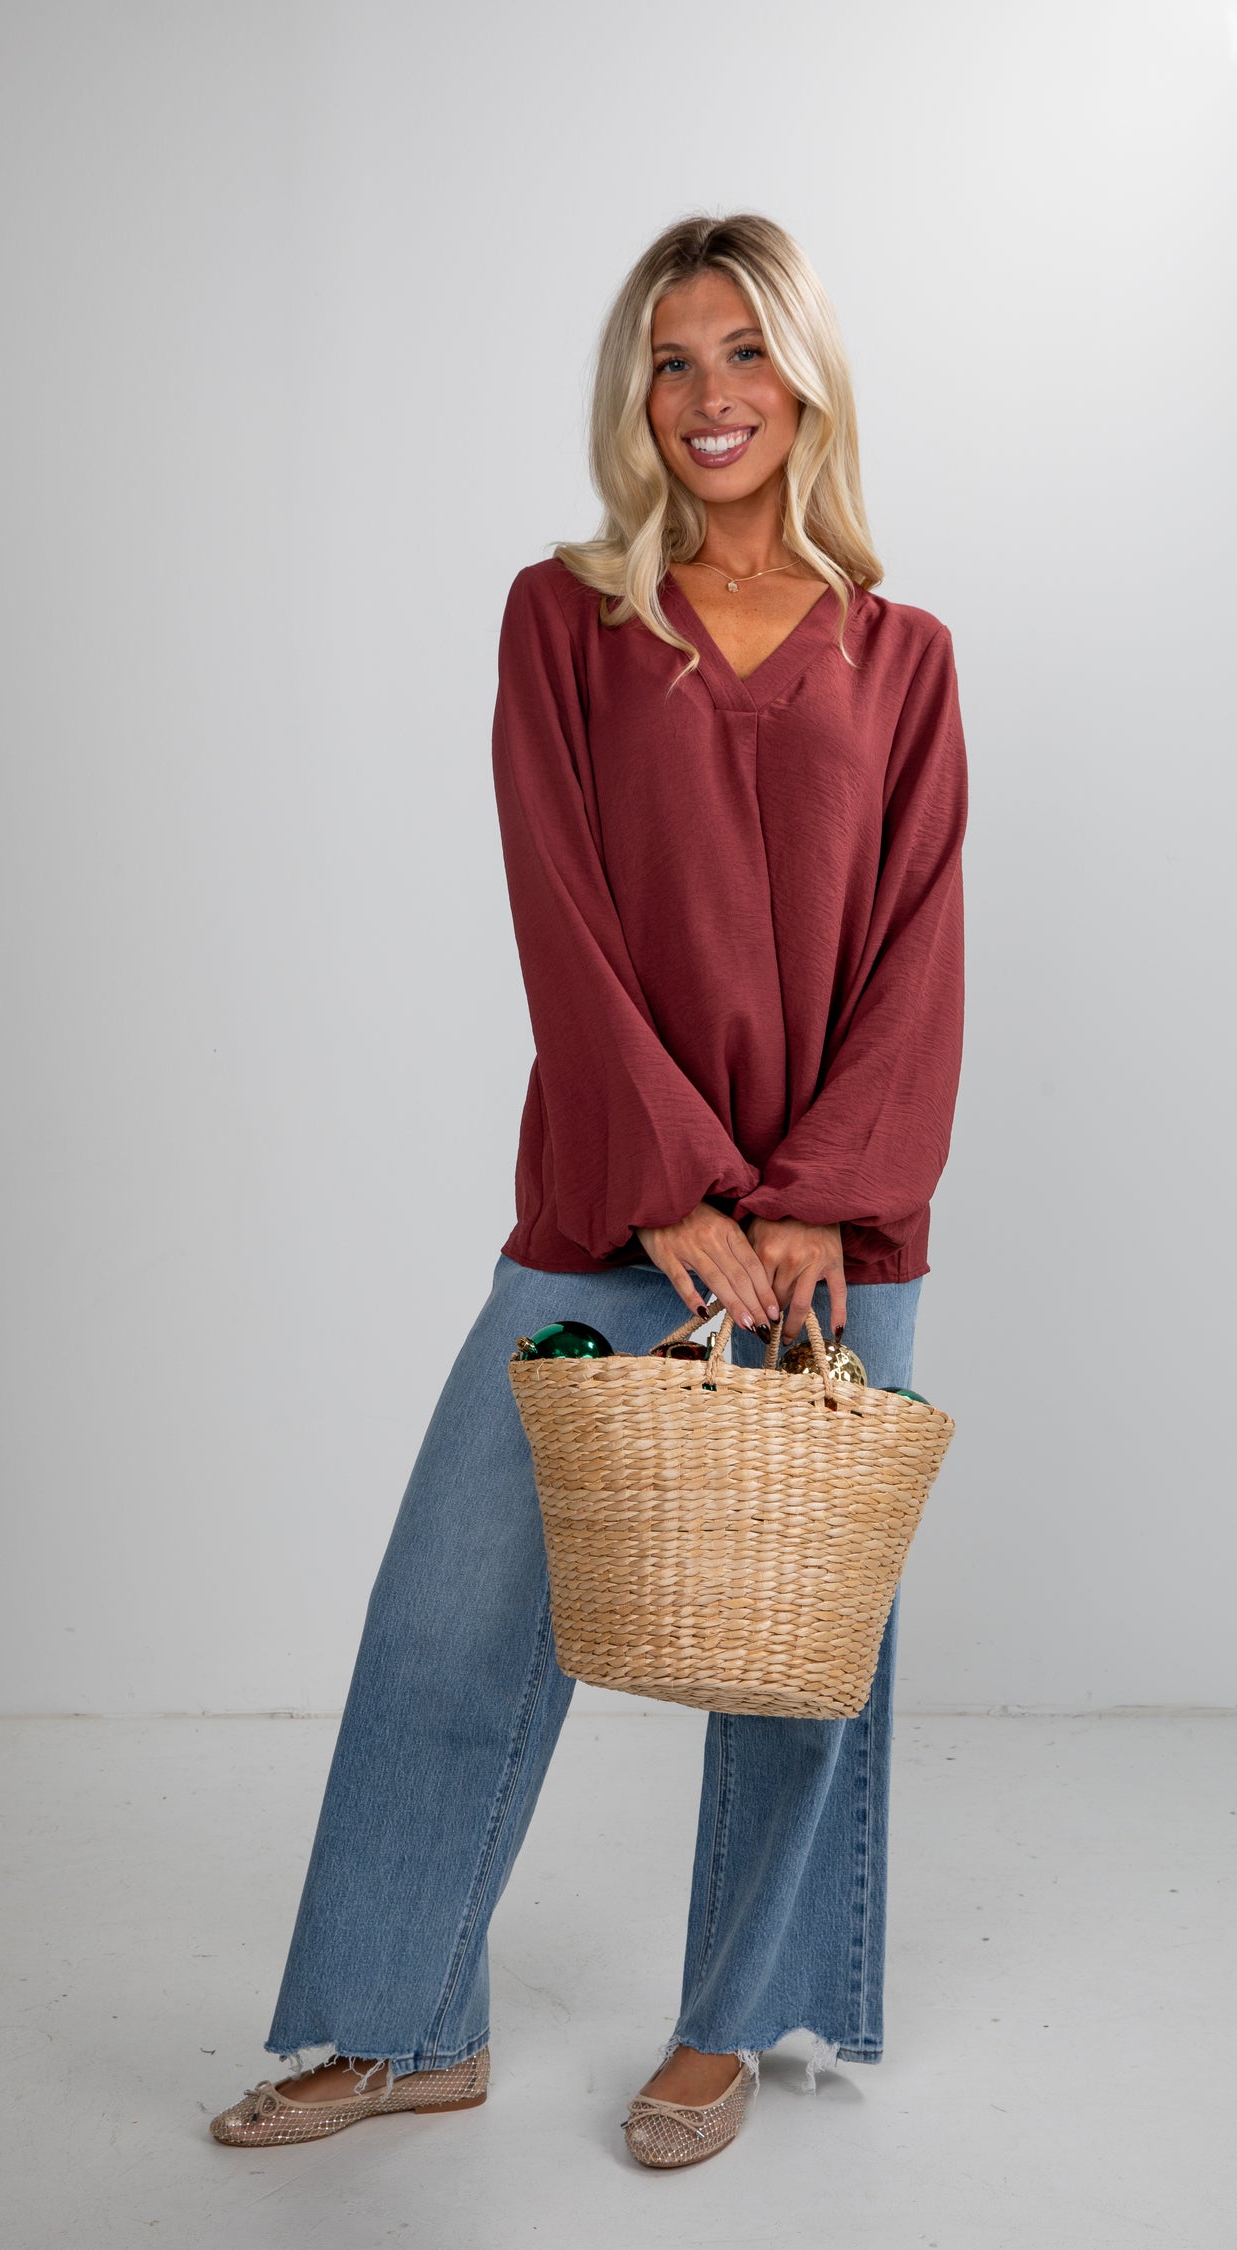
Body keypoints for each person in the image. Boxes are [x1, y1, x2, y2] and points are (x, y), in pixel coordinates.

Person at [209, 209, 968, 2171]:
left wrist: (814, 1199)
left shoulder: (905, 658)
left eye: (743, 352)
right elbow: (561, 912)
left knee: (805, 1643)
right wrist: (673, 1191)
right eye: (670, 361)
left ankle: (732, 2024)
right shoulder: (565, 619)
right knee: (454, 1607)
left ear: (805, 377)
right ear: (636, 399)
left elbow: (919, 941)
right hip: (614, 1210)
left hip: (831, 1233)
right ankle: (402, 2022)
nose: (709, 396)